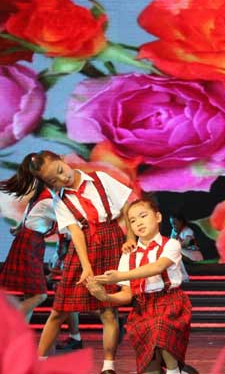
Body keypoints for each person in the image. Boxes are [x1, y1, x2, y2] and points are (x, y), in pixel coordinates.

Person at [11, 150, 135, 374]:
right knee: (59, 310)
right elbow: (76, 232)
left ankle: (108, 366)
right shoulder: (60, 199)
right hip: (84, 247)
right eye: (53, 180)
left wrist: (130, 237)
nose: (62, 179)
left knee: (108, 311)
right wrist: (85, 266)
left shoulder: (100, 178)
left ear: (62, 160)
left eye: (60, 171)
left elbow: (126, 204)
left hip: (111, 242)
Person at [86, 198, 195, 374]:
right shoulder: (128, 256)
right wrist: (105, 297)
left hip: (170, 302)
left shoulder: (171, 244)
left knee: (160, 325)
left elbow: (157, 267)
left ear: (158, 217)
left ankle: (174, 371)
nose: (138, 223)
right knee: (150, 369)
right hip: (142, 308)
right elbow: (127, 294)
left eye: (143, 216)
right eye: (133, 221)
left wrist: (120, 275)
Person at [0, 166, 57, 323]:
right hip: (30, 246)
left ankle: (18, 337)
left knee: (31, 294)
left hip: (29, 243)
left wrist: (18, 228)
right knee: (40, 295)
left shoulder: (39, 199)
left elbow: (25, 222)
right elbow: (69, 221)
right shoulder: (48, 201)